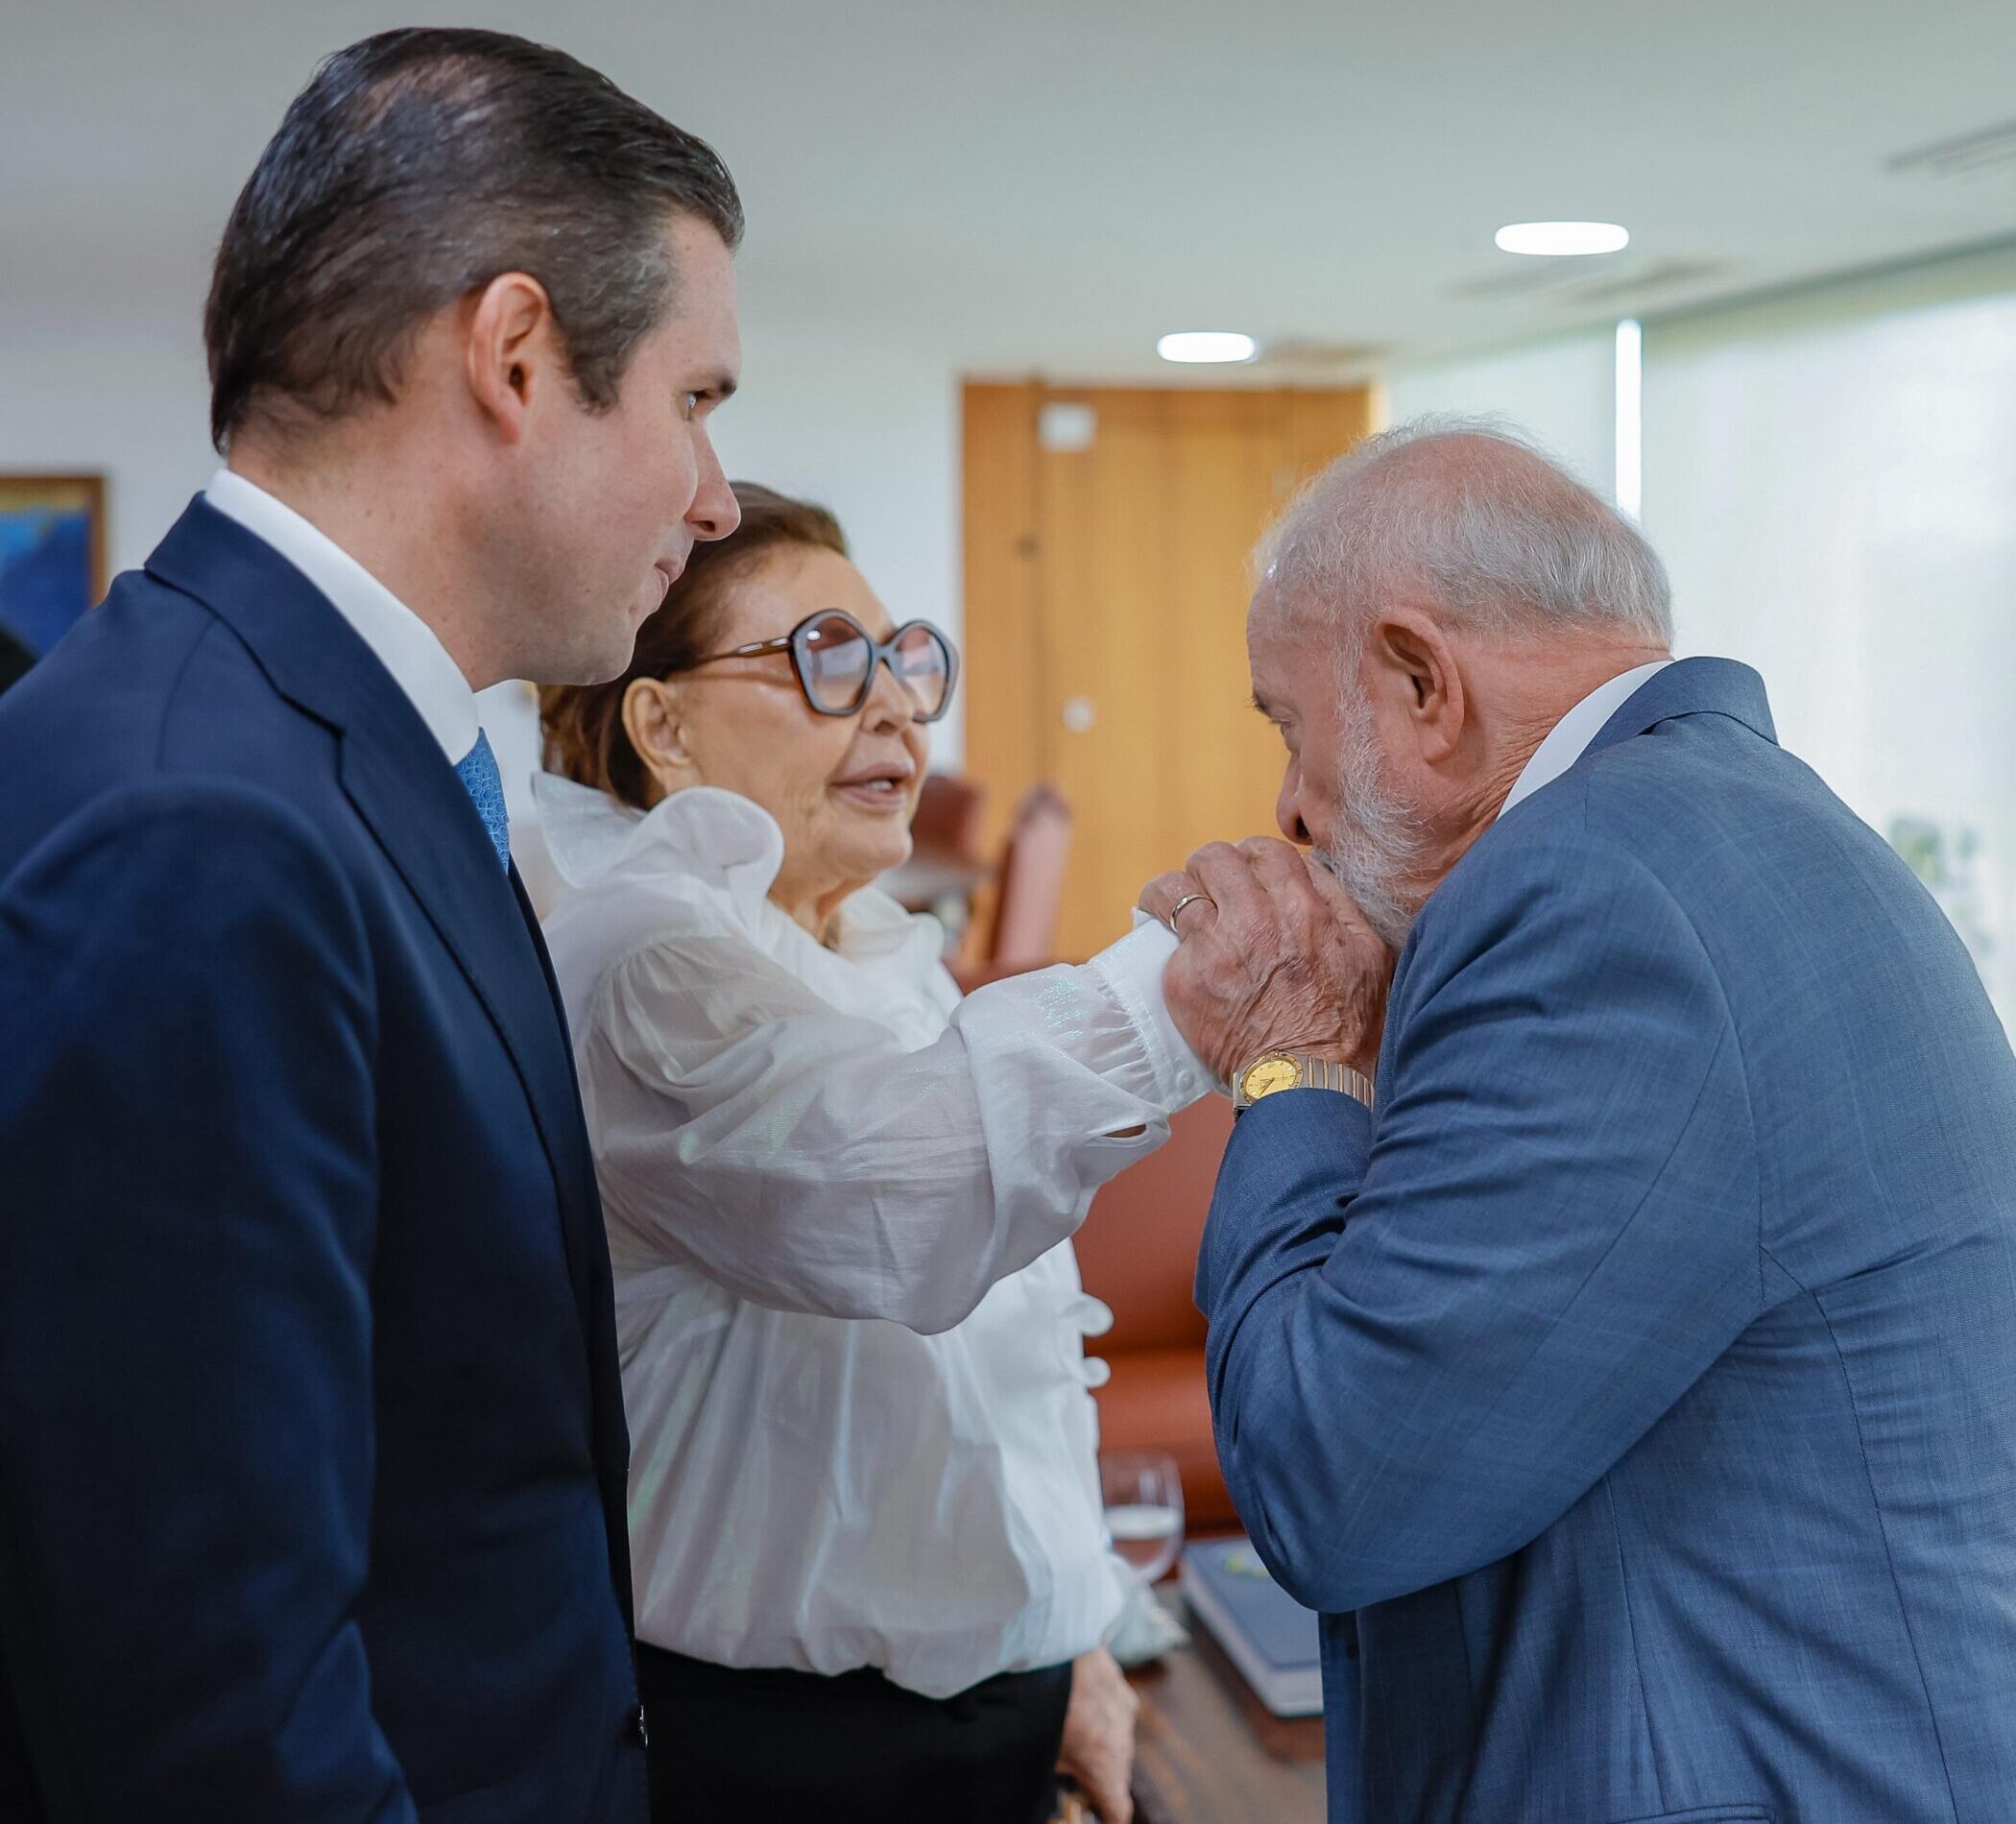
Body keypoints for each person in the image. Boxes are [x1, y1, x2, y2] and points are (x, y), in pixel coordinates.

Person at [0, 31, 741, 1822]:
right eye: (698, 402)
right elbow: (212, 1705)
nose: (715, 497)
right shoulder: (206, 820)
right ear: (514, 358)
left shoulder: (319, 733)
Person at [1140, 420, 2016, 1824]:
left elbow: (1337, 1483)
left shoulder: (1597, 890)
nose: (1288, 808)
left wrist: (1294, 1056)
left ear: (1423, 683)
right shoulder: (1730, 828)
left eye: (1289, 727)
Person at [537, 482, 1207, 1824]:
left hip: (981, 1713)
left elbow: (995, 1380)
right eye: (824, 659)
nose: (898, 704)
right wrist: (1214, 978)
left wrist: (1072, 1628)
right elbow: (903, 1196)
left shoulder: (874, 948)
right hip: (780, 1751)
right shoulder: (648, 964)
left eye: (903, 659)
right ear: (658, 722)